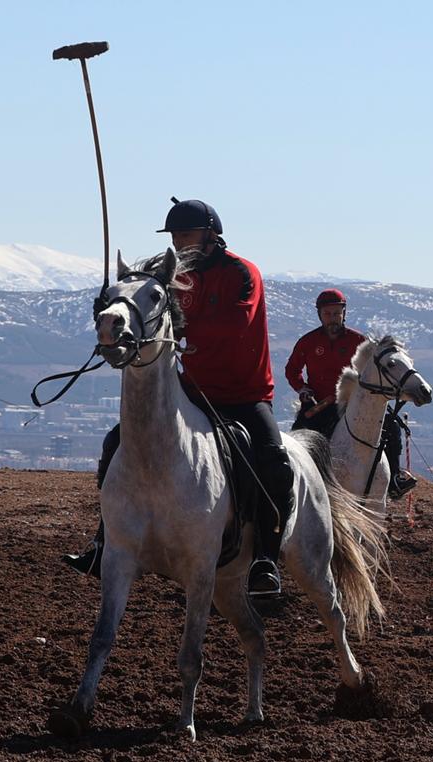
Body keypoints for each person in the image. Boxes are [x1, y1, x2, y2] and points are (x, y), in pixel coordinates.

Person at [64, 198, 294, 598]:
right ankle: (104, 541)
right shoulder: (173, 278)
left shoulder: (242, 272)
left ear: (210, 233)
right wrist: (111, 307)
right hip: (192, 390)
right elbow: (143, 302)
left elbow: (237, 322)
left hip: (244, 394)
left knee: (273, 461)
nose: (178, 242)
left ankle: (266, 560)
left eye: (184, 234)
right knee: (117, 441)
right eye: (174, 235)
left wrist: (179, 325)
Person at [285, 288, 416, 499]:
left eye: (337, 313)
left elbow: (374, 371)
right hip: (320, 403)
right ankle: (301, 483)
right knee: (301, 434)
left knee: (391, 426)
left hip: (354, 401)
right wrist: (302, 389)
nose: (333, 319)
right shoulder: (308, 342)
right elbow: (292, 371)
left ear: (344, 313)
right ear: (320, 315)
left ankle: (394, 479)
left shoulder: (358, 341)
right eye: (328, 314)